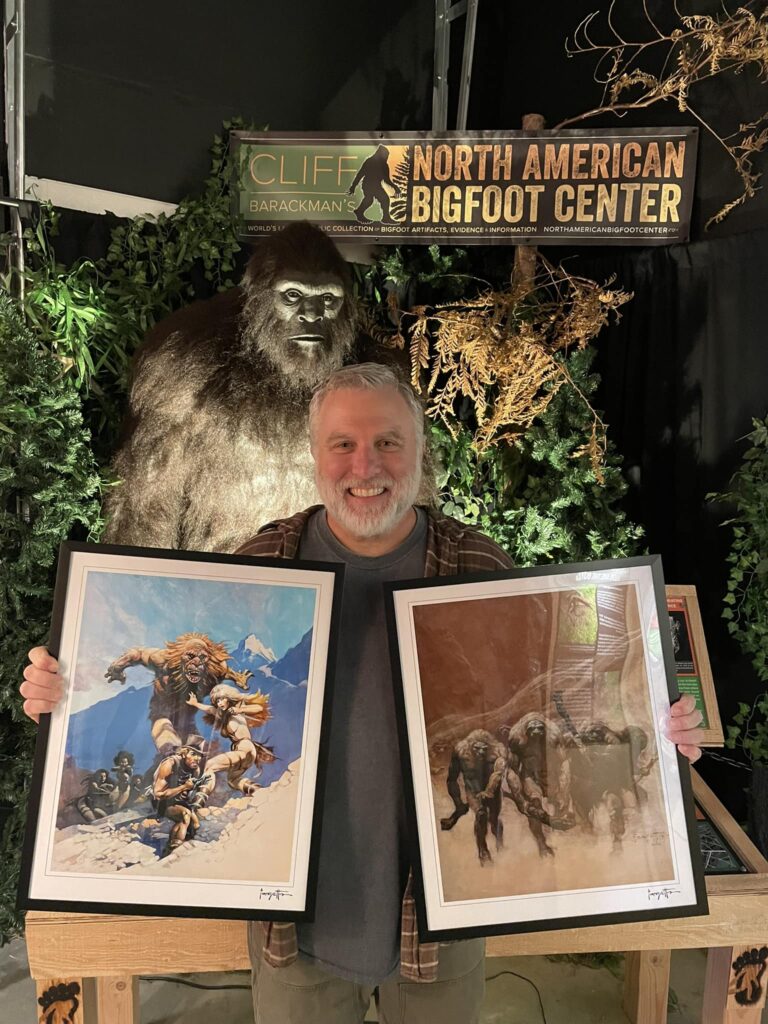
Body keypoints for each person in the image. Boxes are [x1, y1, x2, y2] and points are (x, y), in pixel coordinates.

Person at [21, 362, 705, 1024]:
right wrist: (67, 695)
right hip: (298, 932)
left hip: (440, 929)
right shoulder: (264, 568)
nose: (364, 466)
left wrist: (654, 735)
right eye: (342, 444)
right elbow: (178, 684)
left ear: (418, 452)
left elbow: (551, 706)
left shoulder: (477, 566)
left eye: (386, 442)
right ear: (314, 457)